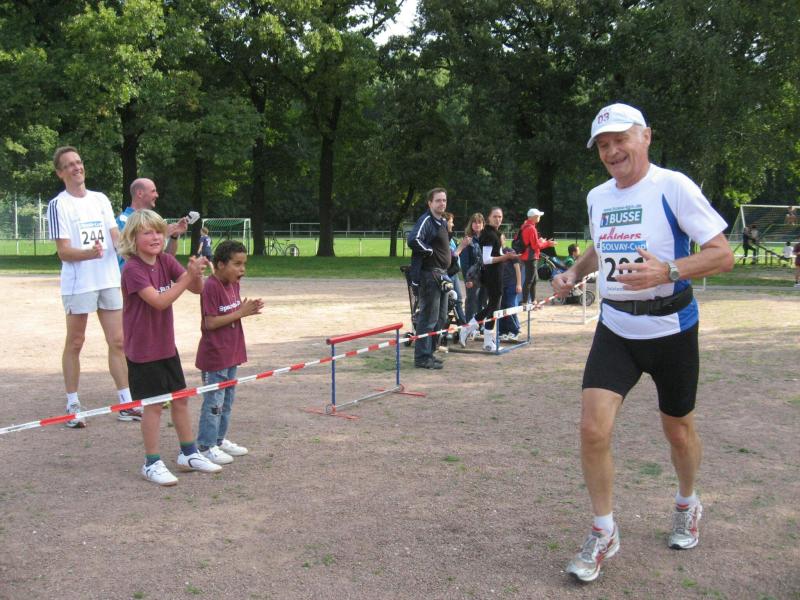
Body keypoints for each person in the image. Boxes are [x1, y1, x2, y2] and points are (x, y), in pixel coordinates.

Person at [553, 103, 733, 583]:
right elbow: (600, 246)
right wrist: (573, 271)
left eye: (620, 140)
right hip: (616, 328)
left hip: (672, 328)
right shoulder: (597, 196)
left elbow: (722, 255)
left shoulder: (673, 187)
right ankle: (604, 530)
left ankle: (687, 502)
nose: (612, 152)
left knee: (678, 430)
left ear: (646, 137)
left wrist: (668, 270)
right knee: (592, 429)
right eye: (603, 145)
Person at [118, 209, 221, 486]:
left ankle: (189, 453)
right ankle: (151, 463)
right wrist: (187, 277)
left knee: (180, 399)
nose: (155, 237)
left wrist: (195, 272)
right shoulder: (132, 269)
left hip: (165, 345)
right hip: (143, 350)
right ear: (133, 238)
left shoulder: (165, 260)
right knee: (153, 406)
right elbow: (159, 301)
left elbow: (197, 289)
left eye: (158, 232)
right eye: (147, 233)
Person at [47, 146, 133, 428]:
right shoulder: (58, 205)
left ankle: (126, 402)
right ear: (60, 173)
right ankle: (72, 404)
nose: (77, 167)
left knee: (118, 341)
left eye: (79, 162)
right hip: (79, 283)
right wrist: (89, 253)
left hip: (108, 279)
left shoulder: (100, 199)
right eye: (69, 165)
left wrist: (136, 248)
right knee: (76, 341)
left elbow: (116, 238)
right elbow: (63, 252)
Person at [196, 241, 263, 464]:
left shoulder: (234, 284)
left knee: (226, 402)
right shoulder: (210, 286)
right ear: (220, 264)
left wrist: (246, 310)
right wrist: (240, 313)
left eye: (244, 264)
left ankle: (218, 439)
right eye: (237, 264)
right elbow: (210, 323)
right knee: (213, 403)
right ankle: (206, 446)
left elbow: (233, 313)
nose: (242, 269)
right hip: (215, 356)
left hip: (231, 352)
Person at [458, 207, 518, 351]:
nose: (498, 219)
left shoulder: (496, 233)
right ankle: (478, 334)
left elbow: (497, 253)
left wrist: (509, 255)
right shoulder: (489, 235)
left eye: (500, 217)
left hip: (497, 274)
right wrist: (506, 257)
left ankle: (477, 334)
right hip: (491, 275)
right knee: (493, 307)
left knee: (492, 307)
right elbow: (486, 259)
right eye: (495, 216)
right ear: (489, 218)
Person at [407, 188, 452, 369]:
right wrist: (430, 251)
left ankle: (430, 353)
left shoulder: (442, 222)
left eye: (444, 200)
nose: (442, 203)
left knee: (441, 317)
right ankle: (422, 357)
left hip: (442, 274)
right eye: (438, 200)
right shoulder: (426, 220)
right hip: (430, 275)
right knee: (428, 318)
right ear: (430, 203)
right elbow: (413, 240)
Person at [117, 178, 189, 261]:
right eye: (153, 191)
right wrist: (163, 235)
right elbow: (127, 255)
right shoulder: (122, 221)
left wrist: (174, 236)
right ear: (140, 193)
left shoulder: (152, 221)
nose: (157, 195)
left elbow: (167, 259)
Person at [519, 208, 555, 304]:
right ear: (534, 217)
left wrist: (541, 241)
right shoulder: (532, 228)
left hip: (527, 255)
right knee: (530, 279)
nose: (539, 217)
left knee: (534, 279)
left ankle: (533, 300)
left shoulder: (524, 226)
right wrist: (547, 243)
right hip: (531, 257)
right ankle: (525, 301)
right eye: (538, 216)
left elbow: (531, 243)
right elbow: (535, 246)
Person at [459, 213, 487, 325]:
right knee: (472, 301)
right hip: (473, 276)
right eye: (474, 222)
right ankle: (469, 326)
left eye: (479, 222)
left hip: (485, 276)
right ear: (471, 224)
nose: (477, 224)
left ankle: (480, 325)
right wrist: (468, 279)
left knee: (483, 301)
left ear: (483, 224)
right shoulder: (468, 240)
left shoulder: (486, 239)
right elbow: (464, 263)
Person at [498, 237, 522, 340]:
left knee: (510, 306)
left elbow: (517, 269)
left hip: (512, 284)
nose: (499, 241)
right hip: (500, 285)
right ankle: (502, 331)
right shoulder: (495, 252)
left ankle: (515, 330)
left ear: (504, 240)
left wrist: (519, 284)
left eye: (501, 239)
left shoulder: (510, 251)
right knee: (501, 307)